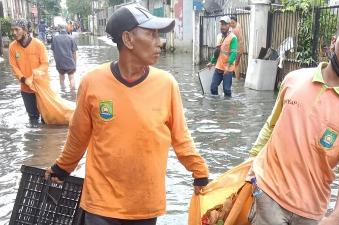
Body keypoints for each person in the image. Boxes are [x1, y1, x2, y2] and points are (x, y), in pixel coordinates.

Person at [45, 4, 209, 225]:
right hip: (100, 203)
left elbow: (181, 137)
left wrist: (199, 171)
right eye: (151, 34)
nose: (159, 42)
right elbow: (78, 135)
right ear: (128, 39)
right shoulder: (92, 82)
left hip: (144, 204)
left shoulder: (166, 84)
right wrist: (62, 168)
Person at [248, 9, 339, 225]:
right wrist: (249, 166)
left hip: (311, 211)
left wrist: (336, 216)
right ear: (333, 41)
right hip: (267, 194)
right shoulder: (294, 79)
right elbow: (271, 127)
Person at [8, 19, 49, 123]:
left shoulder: (38, 44)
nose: (14, 33)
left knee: (46, 118)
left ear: (25, 30)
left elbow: (45, 64)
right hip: (25, 88)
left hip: (41, 88)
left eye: (17, 30)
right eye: (13, 30)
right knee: (33, 118)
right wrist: (23, 79)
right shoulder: (12, 47)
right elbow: (13, 66)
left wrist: (33, 77)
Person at [207, 16, 237, 97]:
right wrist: (212, 62)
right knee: (213, 88)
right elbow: (217, 51)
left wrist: (227, 66)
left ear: (229, 26)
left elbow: (233, 54)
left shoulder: (233, 38)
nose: (222, 27)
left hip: (228, 68)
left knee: (226, 90)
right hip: (219, 67)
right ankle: (216, 106)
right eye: (221, 24)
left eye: (225, 25)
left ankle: (227, 107)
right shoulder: (219, 36)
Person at [51, 25, 78, 90]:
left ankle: (63, 92)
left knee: (61, 77)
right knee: (71, 77)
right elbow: (74, 52)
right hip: (70, 61)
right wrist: (75, 63)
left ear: (59, 30)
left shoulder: (55, 38)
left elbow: (53, 52)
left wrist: (56, 61)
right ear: (67, 30)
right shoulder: (71, 38)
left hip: (59, 62)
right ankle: (72, 93)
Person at [230, 16, 244, 81]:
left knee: (236, 64)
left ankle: (237, 80)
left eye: (233, 23)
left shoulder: (235, 30)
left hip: (237, 48)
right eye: (230, 23)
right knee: (236, 64)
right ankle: (237, 78)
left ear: (236, 22)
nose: (231, 24)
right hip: (240, 47)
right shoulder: (238, 25)